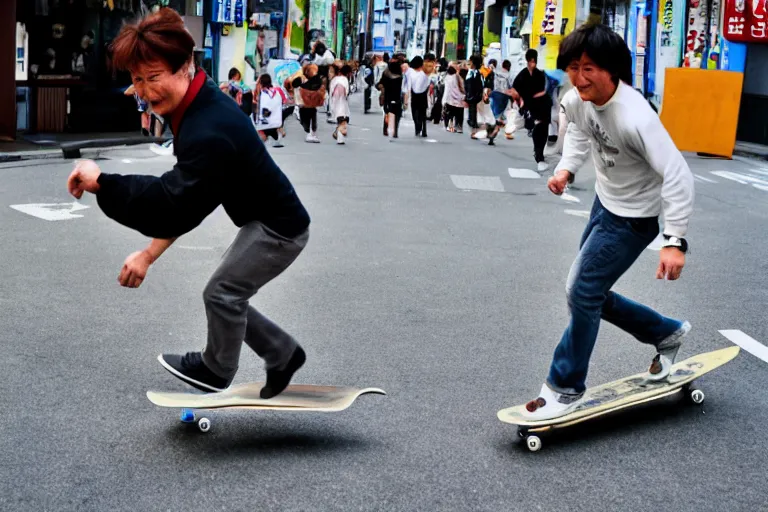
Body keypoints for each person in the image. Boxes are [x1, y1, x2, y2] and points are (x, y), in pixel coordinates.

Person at [66, 8, 311, 398]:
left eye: (154, 78)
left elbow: (173, 202)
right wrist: (148, 255)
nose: (145, 92)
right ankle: (282, 353)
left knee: (221, 294)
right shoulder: (199, 100)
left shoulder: (209, 127)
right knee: (228, 295)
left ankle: (216, 369)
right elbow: (191, 199)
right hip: (264, 220)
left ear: (186, 67)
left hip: (278, 230)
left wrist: (104, 183)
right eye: (137, 80)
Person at [523, 23, 695, 420]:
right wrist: (566, 169)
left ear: (612, 69)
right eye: (573, 67)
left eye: (589, 68)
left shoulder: (637, 117)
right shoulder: (576, 98)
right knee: (590, 292)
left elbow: (677, 174)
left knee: (581, 291)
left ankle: (564, 387)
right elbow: (582, 135)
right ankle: (665, 333)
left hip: (634, 219)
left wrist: (675, 240)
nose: (579, 77)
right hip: (605, 205)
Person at [511, 49, 552, 171]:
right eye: (531, 60)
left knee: (543, 130)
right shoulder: (522, 75)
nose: (533, 63)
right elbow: (515, 91)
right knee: (537, 129)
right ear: (528, 60)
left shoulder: (540, 74)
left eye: (534, 60)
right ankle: (538, 154)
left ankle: (539, 152)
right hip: (532, 106)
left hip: (543, 105)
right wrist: (521, 104)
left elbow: (543, 91)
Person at [292, 63, 326, 143]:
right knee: (307, 117)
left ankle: (312, 133)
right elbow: (295, 84)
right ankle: (310, 133)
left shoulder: (315, 79)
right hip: (305, 102)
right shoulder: (302, 78)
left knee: (312, 116)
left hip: (310, 102)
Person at [255, 73, 287, 148]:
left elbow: (256, 104)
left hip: (264, 121)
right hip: (276, 122)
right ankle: (280, 130)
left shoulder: (260, 93)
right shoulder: (277, 90)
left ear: (261, 83)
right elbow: (284, 101)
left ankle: (263, 135)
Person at [377, 59, 404, 139]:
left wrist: (381, 88)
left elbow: (380, 83)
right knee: (397, 115)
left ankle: (386, 128)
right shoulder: (400, 76)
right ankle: (395, 131)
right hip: (397, 98)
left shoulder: (386, 74)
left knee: (387, 113)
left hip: (387, 97)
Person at [405, 56, 430, 137]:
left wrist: (406, 99)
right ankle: (424, 130)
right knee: (423, 114)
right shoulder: (424, 74)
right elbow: (427, 85)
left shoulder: (410, 73)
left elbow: (409, 87)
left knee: (415, 113)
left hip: (414, 96)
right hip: (423, 96)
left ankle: (417, 128)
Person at [329, 63, 352, 145]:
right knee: (343, 120)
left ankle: (340, 138)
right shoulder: (345, 80)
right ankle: (338, 134)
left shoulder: (334, 79)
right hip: (342, 102)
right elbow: (347, 92)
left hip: (334, 102)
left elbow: (331, 91)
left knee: (340, 120)